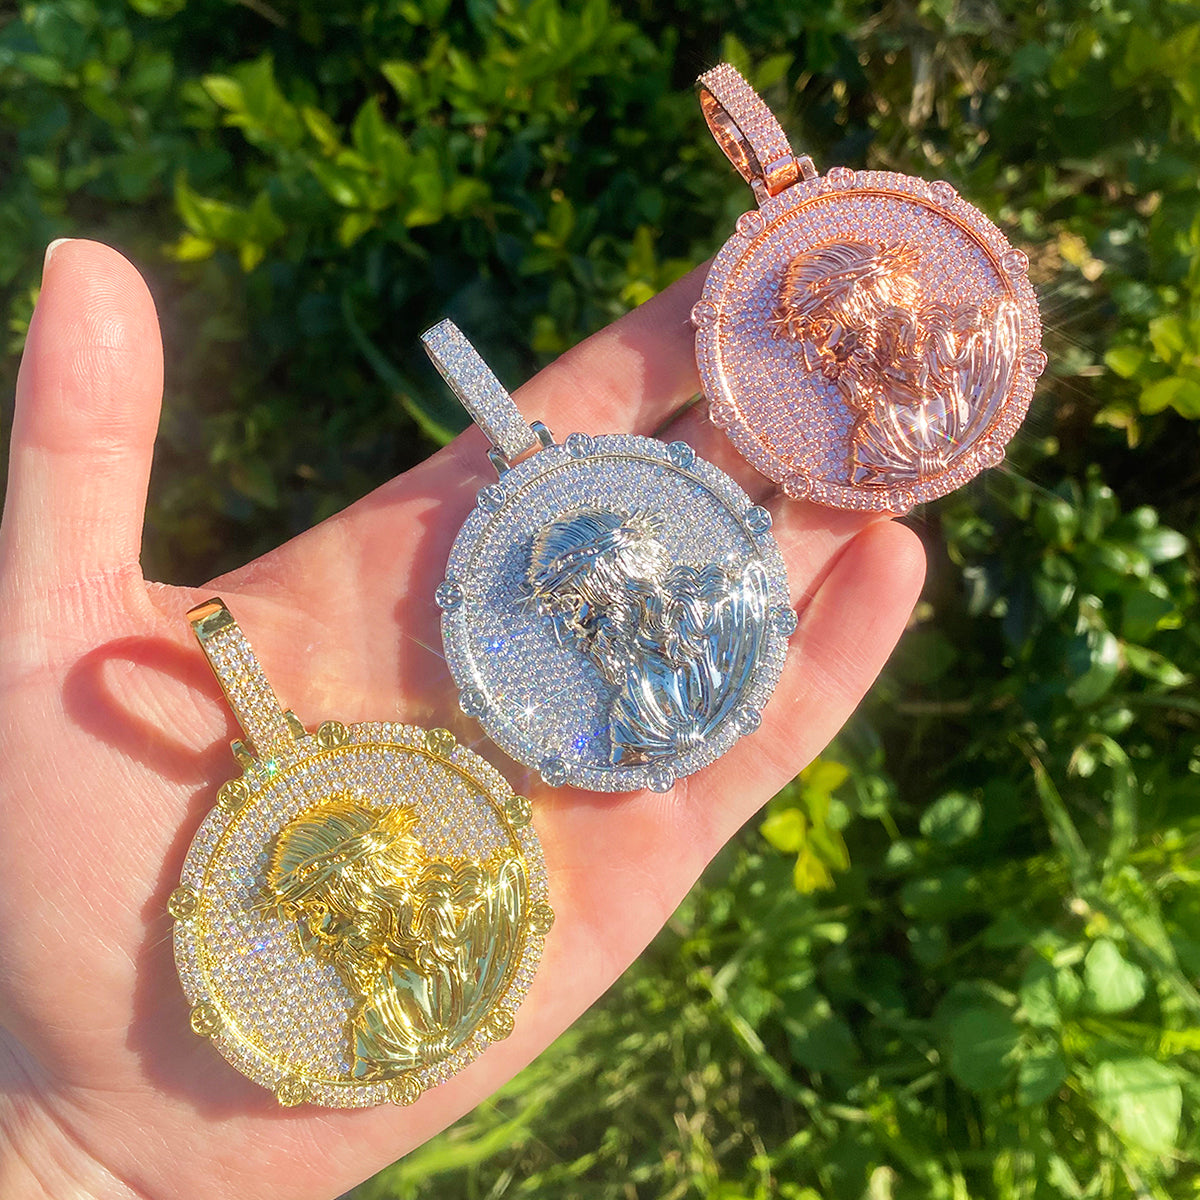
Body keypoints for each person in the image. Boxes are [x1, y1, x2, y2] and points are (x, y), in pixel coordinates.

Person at [0, 239, 924, 1199]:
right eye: (569, 619)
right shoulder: (379, 1018)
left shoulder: (722, 624)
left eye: (586, 608)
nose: (323, 929)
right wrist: (65, 1148)